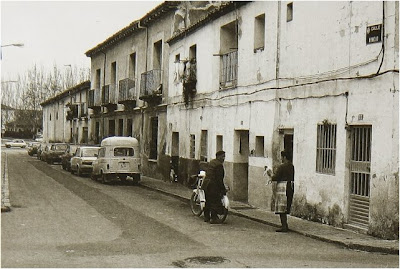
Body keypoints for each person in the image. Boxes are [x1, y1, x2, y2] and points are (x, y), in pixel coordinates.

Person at [267, 150, 294, 232]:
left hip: (283, 188)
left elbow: (275, 177)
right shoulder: (291, 166)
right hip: (290, 186)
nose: (281, 159)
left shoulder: (282, 167)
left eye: (282, 157)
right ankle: (285, 225)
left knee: (281, 207)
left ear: (284, 157)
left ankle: (284, 226)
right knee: (286, 207)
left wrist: (269, 173)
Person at [203, 150, 226, 224]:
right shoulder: (219, 165)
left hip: (206, 184)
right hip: (213, 186)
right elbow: (219, 179)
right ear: (218, 157)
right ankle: (213, 218)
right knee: (215, 201)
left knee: (208, 201)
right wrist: (223, 189)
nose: (223, 158)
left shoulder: (212, 162)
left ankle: (206, 217)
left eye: (224, 157)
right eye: (222, 157)